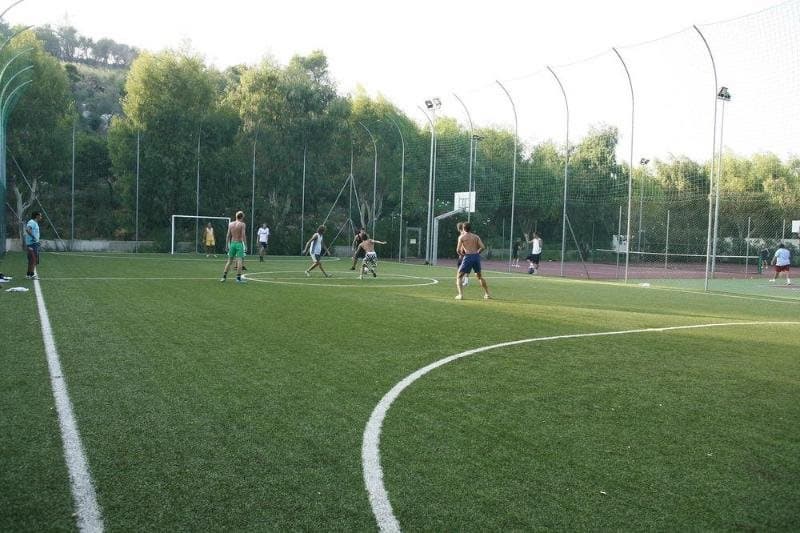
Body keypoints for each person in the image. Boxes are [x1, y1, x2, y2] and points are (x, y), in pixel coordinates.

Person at [455, 221, 491, 300]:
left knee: (459, 276)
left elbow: (458, 250)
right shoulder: (476, 237)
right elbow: (483, 247)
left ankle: (460, 295)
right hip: (476, 257)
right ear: (470, 228)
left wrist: (463, 255)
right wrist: (477, 252)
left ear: (463, 228)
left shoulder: (462, 237)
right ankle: (487, 294)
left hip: (468, 257)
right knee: (479, 277)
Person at [220, 211, 247, 283]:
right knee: (240, 260)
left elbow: (228, 235)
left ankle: (224, 277)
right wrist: (245, 245)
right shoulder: (242, 224)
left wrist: (226, 245)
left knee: (229, 261)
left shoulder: (231, 224)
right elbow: (243, 235)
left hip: (232, 244)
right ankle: (238, 278)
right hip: (239, 244)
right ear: (242, 217)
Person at [25, 211, 43, 280]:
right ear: (37, 216)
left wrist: (37, 240)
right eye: (40, 216)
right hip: (32, 244)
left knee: (31, 260)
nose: (41, 217)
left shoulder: (34, 223)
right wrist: (33, 238)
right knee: (34, 259)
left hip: (33, 243)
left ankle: (28, 274)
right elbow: (27, 229)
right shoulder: (32, 222)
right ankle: (32, 275)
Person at [456, 222, 469, 286]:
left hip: (463, 252)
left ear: (458, 228)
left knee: (460, 266)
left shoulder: (462, 235)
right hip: (468, 252)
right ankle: (465, 280)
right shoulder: (467, 234)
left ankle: (460, 280)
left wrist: (461, 254)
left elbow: (461, 246)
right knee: (466, 267)